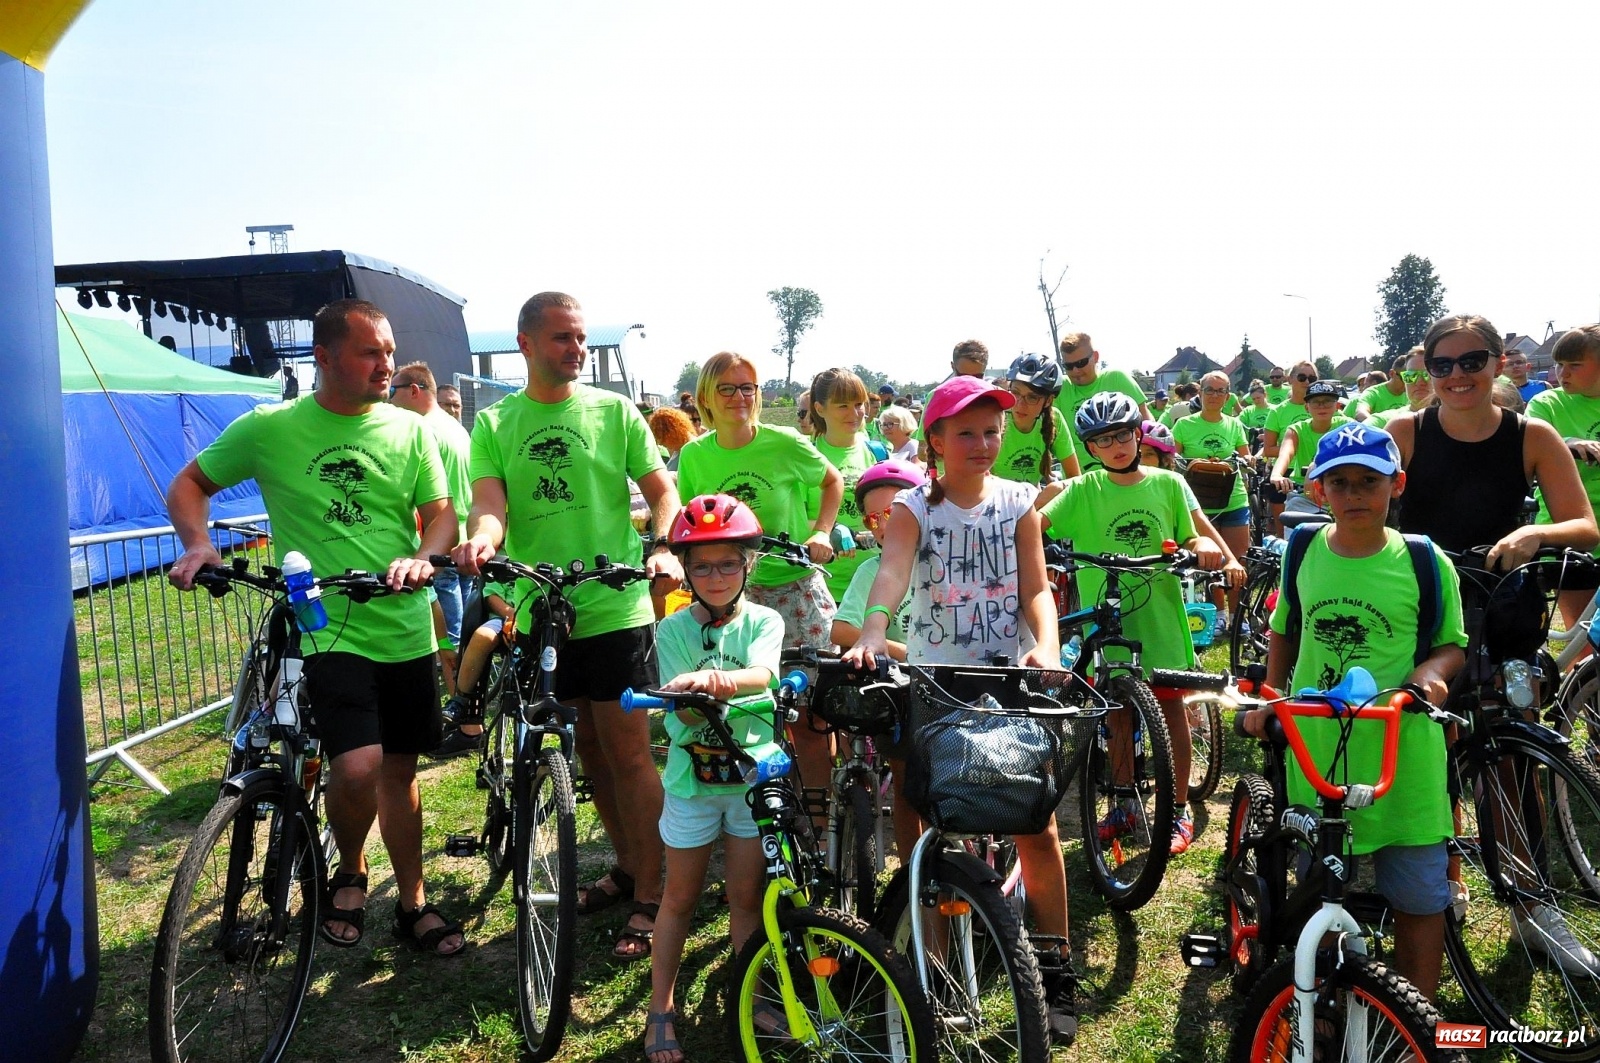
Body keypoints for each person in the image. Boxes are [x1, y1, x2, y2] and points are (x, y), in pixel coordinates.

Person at [167, 298, 464, 956]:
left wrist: (424, 554)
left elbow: (441, 515)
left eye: (388, 351)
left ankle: (412, 898)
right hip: (327, 627)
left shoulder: (410, 430)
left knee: (400, 769)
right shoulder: (270, 428)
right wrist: (198, 543)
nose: (385, 363)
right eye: (369, 352)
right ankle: (351, 871)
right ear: (325, 358)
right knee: (356, 766)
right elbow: (190, 483)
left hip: (406, 628)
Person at [843, 375, 1079, 1043]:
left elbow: (1037, 589)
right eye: (967, 431)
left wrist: (1049, 646)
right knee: (923, 823)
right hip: (937, 680)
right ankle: (932, 960)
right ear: (936, 440)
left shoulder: (1018, 502)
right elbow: (890, 573)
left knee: (1036, 826)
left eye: (992, 430)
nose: (983, 442)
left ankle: (1056, 969)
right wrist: (870, 629)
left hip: (1009, 676)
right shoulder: (915, 508)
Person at [451, 291, 682, 959]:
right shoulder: (496, 424)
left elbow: (661, 489)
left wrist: (662, 541)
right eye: (561, 338)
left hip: (613, 605)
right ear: (526, 343)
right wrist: (483, 541)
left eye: (580, 338)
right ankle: (631, 864)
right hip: (542, 611)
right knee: (587, 754)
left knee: (631, 752)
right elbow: (489, 506)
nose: (575, 350)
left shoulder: (614, 412)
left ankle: (653, 892)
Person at [1239, 423, 1468, 1002]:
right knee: (1320, 886)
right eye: (1338, 483)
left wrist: (1429, 677)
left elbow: (1450, 645)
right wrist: (1270, 693)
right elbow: (1284, 630)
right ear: (1317, 492)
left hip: (1403, 752)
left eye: (1369, 480)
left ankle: (1415, 1019)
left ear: (1397, 484)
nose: (1354, 494)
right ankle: (1320, 1002)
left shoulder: (1423, 559)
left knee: (1419, 895)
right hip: (1318, 749)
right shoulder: (1301, 551)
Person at [1041, 392, 1240, 856]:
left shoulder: (1167, 484)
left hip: (1160, 614)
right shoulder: (1081, 489)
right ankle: (1125, 803)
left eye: (1124, 435)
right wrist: (1035, 521)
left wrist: (1211, 549)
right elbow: (1031, 523)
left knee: (1171, 710)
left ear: (1138, 433)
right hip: (1108, 612)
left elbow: (1194, 528)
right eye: (1103, 440)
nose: (1116, 446)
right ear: (1089, 448)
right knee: (1117, 709)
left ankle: (1178, 808)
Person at [643, 494, 784, 1063]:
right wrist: (696, 692)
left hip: (749, 784)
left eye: (729, 563)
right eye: (702, 565)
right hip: (692, 786)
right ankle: (660, 1006)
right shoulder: (671, 630)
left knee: (746, 899)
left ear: (748, 565)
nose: (716, 576)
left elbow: (766, 672)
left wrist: (720, 683)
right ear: (687, 571)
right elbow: (680, 707)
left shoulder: (766, 620)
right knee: (678, 898)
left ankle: (750, 994)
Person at [677, 351, 845, 825]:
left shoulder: (784, 442)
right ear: (708, 396)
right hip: (731, 596)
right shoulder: (694, 454)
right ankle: (757, 815)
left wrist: (821, 531)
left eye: (748, 386)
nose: (740, 397)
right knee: (747, 712)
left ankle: (817, 819)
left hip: (792, 588)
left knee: (810, 716)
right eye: (727, 388)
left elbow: (831, 481)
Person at [389, 363, 475, 727]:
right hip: (466, 542)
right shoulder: (453, 426)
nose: (388, 399)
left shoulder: (423, 429)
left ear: (413, 390)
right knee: (465, 631)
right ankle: (466, 702)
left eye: (393, 390)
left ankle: (460, 712)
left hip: (440, 547)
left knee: (449, 635)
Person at [1527, 324, 1600, 628]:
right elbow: (1533, 443)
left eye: (1574, 365)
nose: (1561, 373)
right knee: (1581, 639)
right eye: (1559, 364)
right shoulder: (1547, 403)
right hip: (1570, 537)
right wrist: (1567, 444)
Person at [1173, 371, 1253, 628]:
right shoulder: (1184, 426)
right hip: (1200, 502)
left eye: (1221, 391)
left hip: (1234, 499)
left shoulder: (1234, 424)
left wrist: (1248, 459)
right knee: (1211, 561)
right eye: (1210, 390)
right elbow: (1171, 458)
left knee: (1238, 559)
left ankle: (1237, 616)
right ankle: (1218, 614)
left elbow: (1246, 455)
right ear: (1200, 393)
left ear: (1228, 396)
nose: (1215, 396)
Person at [808, 367, 883, 604]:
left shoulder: (878, 453)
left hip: (875, 582)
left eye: (859, 404)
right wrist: (829, 529)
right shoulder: (806, 457)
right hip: (823, 585)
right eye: (843, 405)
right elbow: (794, 518)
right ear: (820, 408)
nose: (855, 413)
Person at [995, 353, 1081, 503]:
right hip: (995, 505)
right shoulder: (997, 417)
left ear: (1048, 401)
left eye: (1032, 397)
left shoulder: (1055, 419)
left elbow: (1075, 478)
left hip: (1033, 505)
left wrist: (1054, 489)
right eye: (1015, 393)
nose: (1020, 404)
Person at [1270, 380, 1351, 520]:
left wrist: (1315, 466)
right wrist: (1277, 475)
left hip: (1339, 493)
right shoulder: (1296, 430)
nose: (1321, 406)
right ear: (1306, 407)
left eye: (1328, 401)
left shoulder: (1347, 427)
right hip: (1303, 496)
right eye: (1315, 401)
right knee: (1297, 536)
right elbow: (1285, 454)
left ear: (1337, 406)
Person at [1059, 331, 1149, 422]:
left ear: (1095, 357)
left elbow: (1146, 421)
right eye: (1068, 366)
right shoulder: (1060, 388)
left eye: (1081, 363)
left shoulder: (1116, 379)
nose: (1075, 370)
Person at [1365, 348, 1434, 430]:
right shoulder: (1386, 420)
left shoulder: (1452, 418)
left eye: (1427, 374)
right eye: (1410, 375)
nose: (1419, 382)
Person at [1345, 355, 1410, 422]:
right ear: (1392, 373)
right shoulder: (1373, 392)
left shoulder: (1413, 393)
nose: (1410, 383)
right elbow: (1361, 414)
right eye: (1406, 377)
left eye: (1414, 377)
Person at [647, 405, 696, 472]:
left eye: (662, 438)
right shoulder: (678, 450)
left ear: (672, 432)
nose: (660, 443)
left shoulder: (692, 448)